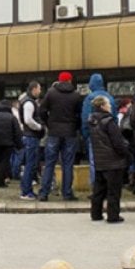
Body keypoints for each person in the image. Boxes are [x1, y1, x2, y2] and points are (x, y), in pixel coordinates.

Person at [38, 72, 82, 202]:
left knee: (49, 163)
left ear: (59, 80)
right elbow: (79, 114)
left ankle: (44, 193)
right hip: (70, 133)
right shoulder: (76, 95)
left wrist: (49, 123)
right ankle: (67, 193)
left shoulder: (51, 93)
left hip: (54, 132)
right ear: (70, 80)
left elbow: (42, 111)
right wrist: (75, 127)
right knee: (67, 164)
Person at [88, 96, 132, 223]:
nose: (110, 106)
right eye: (108, 104)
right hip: (113, 161)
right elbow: (117, 142)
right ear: (102, 106)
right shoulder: (108, 121)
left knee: (99, 189)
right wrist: (126, 154)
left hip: (100, 160)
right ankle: (113, 215)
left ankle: (96, 213)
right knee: (114, 190)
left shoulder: (92, 121)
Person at [80, 73, 117, 187]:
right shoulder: (110, 97)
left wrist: (86, 134)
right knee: (108, 161)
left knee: (93, 161)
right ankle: (108, 186)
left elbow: (85, 119)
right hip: (108, 134)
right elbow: (114, 118)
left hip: (94, 134)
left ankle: (96, 187)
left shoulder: (89, 98)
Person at [18, 82, 44, 200]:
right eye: (39, 89)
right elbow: (28, 120)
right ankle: (26, 191)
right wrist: (39, 127)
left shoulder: (26, 101)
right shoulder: (29, 102)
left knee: (29, 164)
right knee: (30, 165)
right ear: (33, 89)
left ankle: (25, 189)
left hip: (28, 136)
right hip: (31, 136)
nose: (40, 91)